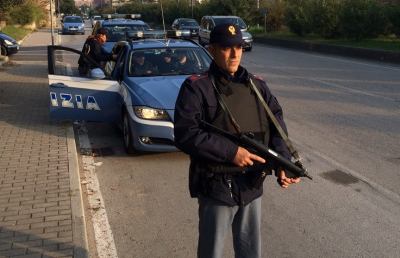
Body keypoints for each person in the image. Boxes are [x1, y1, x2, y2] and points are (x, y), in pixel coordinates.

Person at [174, 24, 301, 258]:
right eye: (226, 48)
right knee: (211, 251)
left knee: (251, 251)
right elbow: (186, 133)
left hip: (252, 184)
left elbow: (275, 123)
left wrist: (282, 162)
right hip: (217, 186)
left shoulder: (256, 85)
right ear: (211, 50)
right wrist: (232, 152)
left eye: (239, 47)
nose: (235, 54)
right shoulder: (196, 87)